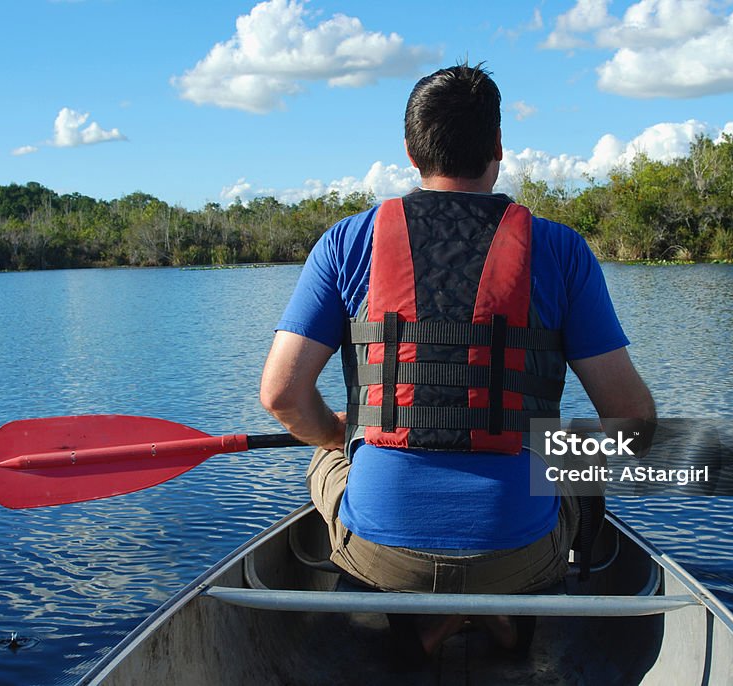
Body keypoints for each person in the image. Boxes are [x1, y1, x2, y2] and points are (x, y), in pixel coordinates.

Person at [260, 62, 654, 654]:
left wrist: (342, 436)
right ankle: (509, 605)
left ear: (411, 152)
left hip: (384, 558)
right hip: (518, 556)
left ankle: (421, 622)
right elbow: (633, 421)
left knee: (324, 457)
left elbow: (281, 396)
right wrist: (558, 449)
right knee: (571, 455)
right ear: (498, 146)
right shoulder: (561, 249)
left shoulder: (347, 241)